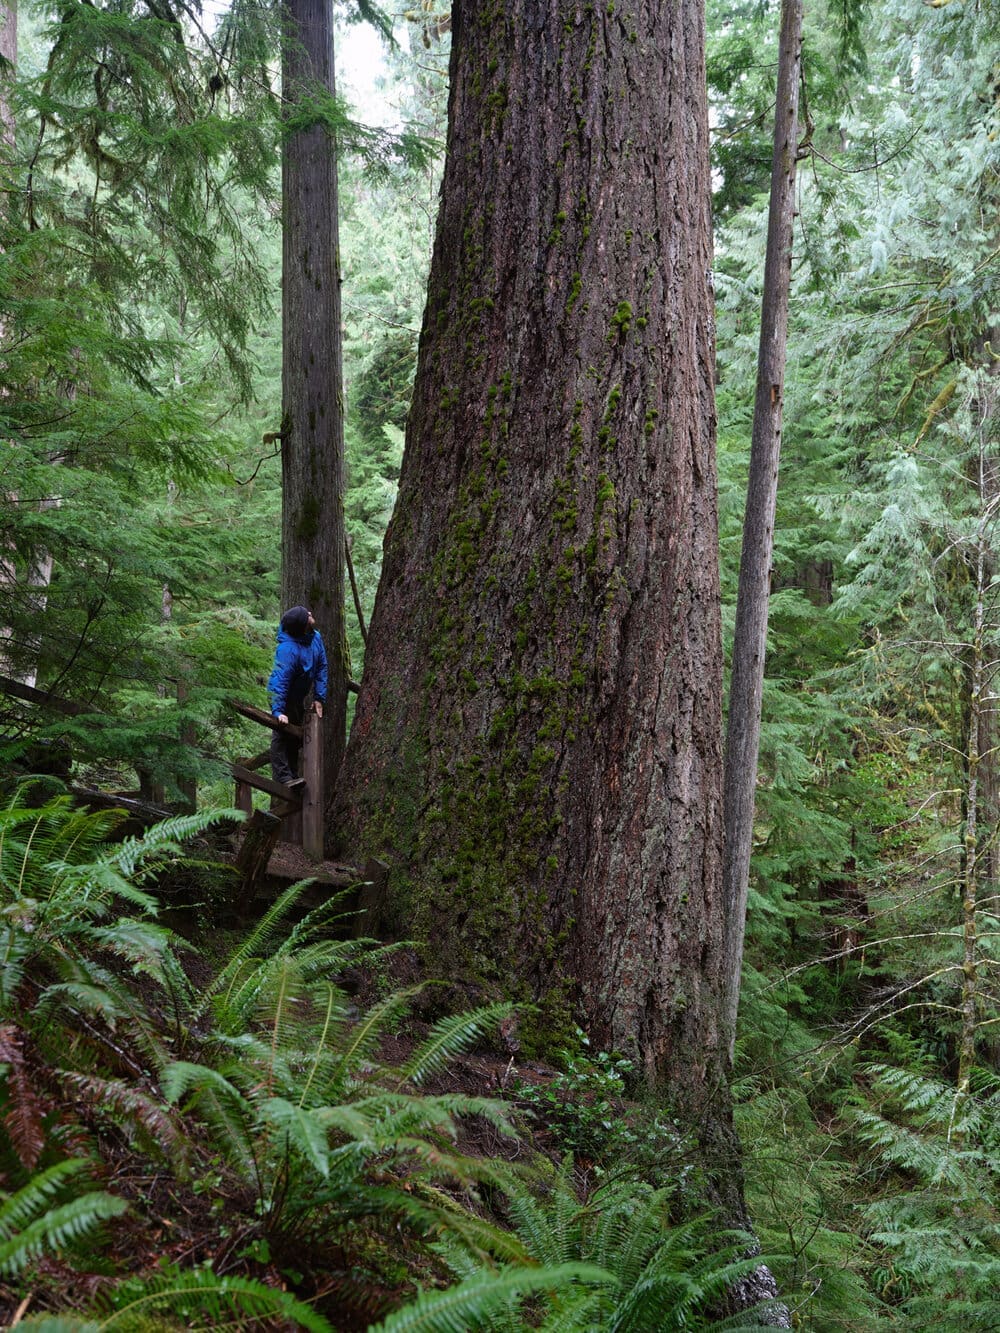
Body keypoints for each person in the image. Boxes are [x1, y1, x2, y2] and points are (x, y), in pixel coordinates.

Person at [267, 605, 327, 790]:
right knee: (282, 733)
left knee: (294, 737)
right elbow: (279, 681)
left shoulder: (315, 637)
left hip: (298, 697)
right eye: (306, 615)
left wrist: (319, 697)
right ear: (302, 625)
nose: (310, 613)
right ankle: (283, 778)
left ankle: (293, 776)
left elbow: (322, 666)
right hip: (283, 696)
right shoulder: (288, 649)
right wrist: (278, 711)